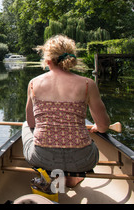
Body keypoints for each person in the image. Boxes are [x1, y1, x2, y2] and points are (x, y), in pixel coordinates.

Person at [22, 35, 111, 188]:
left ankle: (52, 176)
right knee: (90, 140)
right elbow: (103, 126)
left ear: (47, 60)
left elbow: (31, 123)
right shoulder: (88, 84)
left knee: (25, 125)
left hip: (42, 158)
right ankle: (71, 178)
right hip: (83, 160)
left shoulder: (33, 84)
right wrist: (97, 127)